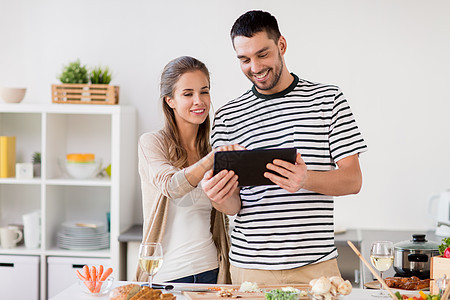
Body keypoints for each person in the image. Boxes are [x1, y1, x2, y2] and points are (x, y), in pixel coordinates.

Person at [201, 11, 368, 284]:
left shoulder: (328, 100)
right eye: (244, 59)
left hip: (316, 269)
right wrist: (216, 195)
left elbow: (353, 180)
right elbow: (232, 206)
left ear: (281, 45)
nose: (254, 67)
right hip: (249, 270)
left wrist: (306, 179)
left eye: (262, 54)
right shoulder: (228, 115)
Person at [135, 56, 233, 284]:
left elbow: (231, 208)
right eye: (188, 94)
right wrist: (212, 159)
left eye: (204, 91)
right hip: (166, 275)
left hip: (212, 272)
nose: (199, 101)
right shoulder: (152, 143)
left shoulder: (210, 149)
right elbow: (171, 186)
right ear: (170, 100)